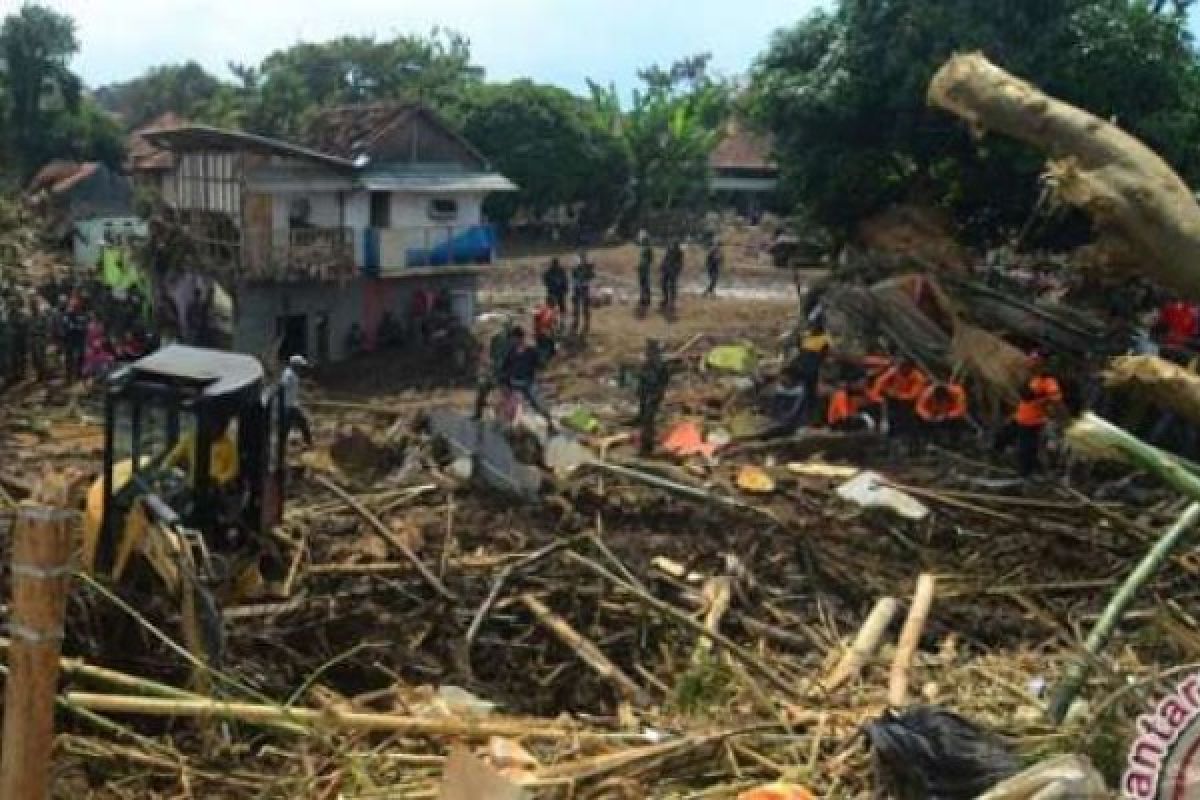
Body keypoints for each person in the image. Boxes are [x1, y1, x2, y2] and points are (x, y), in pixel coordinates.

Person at [995, 354, 1062, 477]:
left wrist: (1041, 403)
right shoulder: (1032, 378)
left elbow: (1056, 399)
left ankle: (1025, 475)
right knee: (1002, 436)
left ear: (1041, 363)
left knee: (1026, 450)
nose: (1029, 362)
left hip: (1032, 423)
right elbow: (1026, 398)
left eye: (1034, 360)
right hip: (1020, 418)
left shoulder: (1048, 380)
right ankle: (997, 458)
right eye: (1030, 359)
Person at [501, 326, 554, 429]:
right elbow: (505, 367)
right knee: (516, 404)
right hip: (515, 384)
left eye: (515, 339)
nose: (513, 341)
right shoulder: (511, 352)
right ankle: (513, 427)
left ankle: (549, 423)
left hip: (528, 383)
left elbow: (541, 364)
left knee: (538, 405)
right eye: (512, 339)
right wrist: (505, 382)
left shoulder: (531, 351)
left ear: (520, 338)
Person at [871, 357, 930, 446]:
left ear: (911, 368)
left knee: (907, 418)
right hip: (892, 400)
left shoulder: (918, 377)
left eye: (905, 367)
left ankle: (909, 437)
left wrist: (896, 394)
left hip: (910, 403)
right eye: (901, 366)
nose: (902, 369)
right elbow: (879, 383)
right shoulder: (893, 371)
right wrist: (878, 397)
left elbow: (913, 395)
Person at [634, 339, 671, 456]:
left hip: (652, 395)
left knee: (648, 423)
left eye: (649, 350)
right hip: (647, 394)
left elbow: (661, 381)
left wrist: (656, 394)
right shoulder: (649, 363)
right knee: (645, 422)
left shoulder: (658, 364)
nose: (647, 352)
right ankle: (645, 447)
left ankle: (647, 448)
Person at [473, 320, 515, 420]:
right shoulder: (503, 340)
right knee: (487, 391)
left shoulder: (507, 340)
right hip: (498, 371)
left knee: (489, 392)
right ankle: (479, 414)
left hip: (499, 371)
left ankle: (480, 414)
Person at [281, 355, 314, 448]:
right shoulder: (288, 374)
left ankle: (309, 443)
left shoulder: (293, 374)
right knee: (286, 427)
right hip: (287, 406)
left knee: (302, 422)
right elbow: (283, 386)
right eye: (300, 366)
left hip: (292, 405)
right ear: (295, 365)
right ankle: (282, 447)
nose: (301, 369)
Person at [570, 253, 595, 335]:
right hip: (578, 288)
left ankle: (586, 322)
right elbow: (573, 277)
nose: (582, 260)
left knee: (585, 307)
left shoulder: (588, 267)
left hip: (585, 288)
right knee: (577, 307)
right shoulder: (576, 267)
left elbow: (592, 276)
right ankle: (576, 321)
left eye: (583, 258)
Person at [660, 241, 684, 314]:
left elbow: (680, 263)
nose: (672, 246)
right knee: (663, 284)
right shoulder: (669, 250)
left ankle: (672, 302)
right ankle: (666, 299)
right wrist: (662, 266)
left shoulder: (679, 252)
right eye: (672, 245)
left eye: (674, 245)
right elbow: (665, 259)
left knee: (672, 287)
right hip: (667, 270)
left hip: (673, 271)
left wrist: (676, 270)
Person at [636, 231, 654, 313]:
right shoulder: (643, 248)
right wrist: (639, 266)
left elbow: (650, 259)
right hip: (642, 268)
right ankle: (643, 298)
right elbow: (642, 259)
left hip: (645, 269)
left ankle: (646, 300)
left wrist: (645, 265)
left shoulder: (648, 248)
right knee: (642, 284)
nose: (642, 241)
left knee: (645, 284)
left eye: (643, 239)